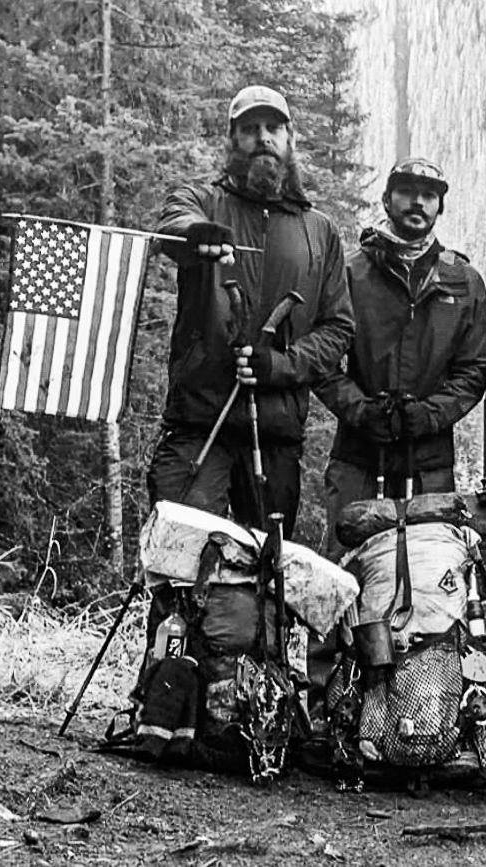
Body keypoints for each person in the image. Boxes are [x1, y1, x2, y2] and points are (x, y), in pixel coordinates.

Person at [147, 84, 355, 535]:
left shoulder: (319, 231)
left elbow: (338, 327)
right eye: (249, 129)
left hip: (277, 433)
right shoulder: (203, 201)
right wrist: (197, 234)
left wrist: (279, 365)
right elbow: (172, 225)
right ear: (232, 140)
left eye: (273, 127)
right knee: (178, 564)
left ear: (290, 138)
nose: (263, 137)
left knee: (267, 577)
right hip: (199, 424)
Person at [314, 156, 486, 556]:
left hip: (429, 465)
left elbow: (474, 370)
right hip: (358, 460)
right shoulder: (350, 274)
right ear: (387, 200)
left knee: (428, 578)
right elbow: (323, 362)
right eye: (407, 192)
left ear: (439, 207)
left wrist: (430, 414)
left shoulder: (463, 282)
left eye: (429, 195)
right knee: (346, 577)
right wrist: (361, 411)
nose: (418, 203)